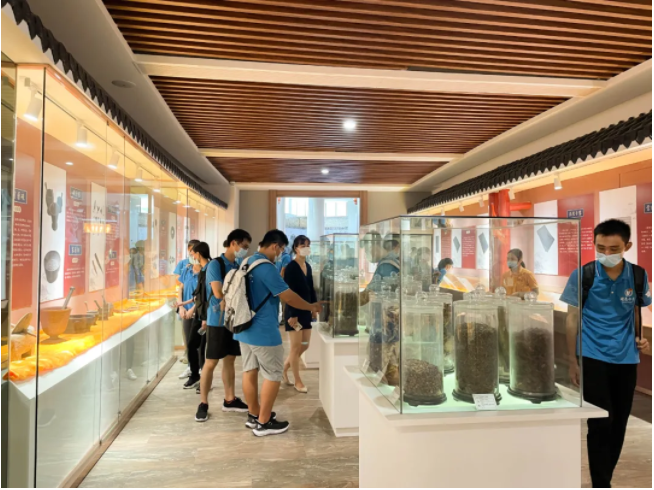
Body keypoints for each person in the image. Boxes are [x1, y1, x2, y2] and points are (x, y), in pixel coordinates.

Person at [561, 219, 651, 488]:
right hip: (592, 355)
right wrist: (572, 360)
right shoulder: (584, 275)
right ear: (594, 244)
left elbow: (637, 309)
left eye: (614, 249)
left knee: (619, 423)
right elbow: (571, 318)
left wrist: (641, 339)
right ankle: (601, 483)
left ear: (627, 246)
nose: (606, 254)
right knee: (600, 421)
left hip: (626, 358)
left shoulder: (638, 275)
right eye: (601, 248)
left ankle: (604, 478)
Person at [235, 229, 322, 436]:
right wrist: (311, 307)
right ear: (276, 246)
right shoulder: (267, 267)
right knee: (273, 375)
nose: (280, 254)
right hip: (263, 330)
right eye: (281, 250)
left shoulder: (247, 261)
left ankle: (254, 415)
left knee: (249, 371)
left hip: (244, 328)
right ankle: (264, 422)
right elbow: (288, 296)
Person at [195, 230, 252, 422]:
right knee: (211, 362)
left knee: (230, 359)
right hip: (217, 321)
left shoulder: (237, 264)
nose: (245, 250)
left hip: (232, 319)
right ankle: (203, 403)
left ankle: (230, 399)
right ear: (233, 243)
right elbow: (218, 292)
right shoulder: (216, 264)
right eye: (244, 246)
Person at [282, 235, 317, 393]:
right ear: (296, 248)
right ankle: (297, 381)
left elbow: (311, 289)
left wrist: (313, 307)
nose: (306, 248)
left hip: (306, 311)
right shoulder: (291, 267)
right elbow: (290, 293)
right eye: (303, 245)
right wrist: (293, 314)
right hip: (293, 313)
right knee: (295, 347)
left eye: (308, 245)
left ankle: (285, 367)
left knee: (305, 345)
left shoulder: (307, 266)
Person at [181, 242, 212, 390]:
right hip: (199, 314)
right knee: (192, 345)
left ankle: (204, 381)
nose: (192, 256)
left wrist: (205, 318)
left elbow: (210, 295)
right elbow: (198, 295)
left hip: (206, 316)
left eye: (193, 253)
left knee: (203, 349)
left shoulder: (210, 269)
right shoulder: (198, 270)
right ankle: (195, 375)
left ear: (198, 254)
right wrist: (183, 304)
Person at [174, 239, 201, 376]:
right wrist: (181, 307)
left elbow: (203, 295)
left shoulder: (206, 272)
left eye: (193, 252)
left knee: (199, 343)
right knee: (188, 341)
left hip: (199, 312)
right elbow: (181, 288)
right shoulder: (186, 269)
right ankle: (191, 367)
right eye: (190, 252)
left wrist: (193, 309)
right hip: (186, 311)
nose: (191, 255)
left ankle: (200, 369)